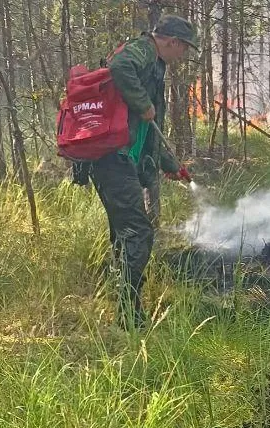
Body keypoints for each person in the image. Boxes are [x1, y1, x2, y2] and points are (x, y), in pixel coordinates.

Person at [89, 14, 196, 328]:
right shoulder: (144, 50)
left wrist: (171, 166)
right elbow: (119, 67)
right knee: (139, 232)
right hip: (113, 160)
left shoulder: (154, 63)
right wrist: (142, 103)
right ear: (171, 41)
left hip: (122, 159)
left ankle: (125, 305)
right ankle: (128, 314)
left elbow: (146, 134)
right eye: (184, 48)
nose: (183, 55)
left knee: (126, 234)